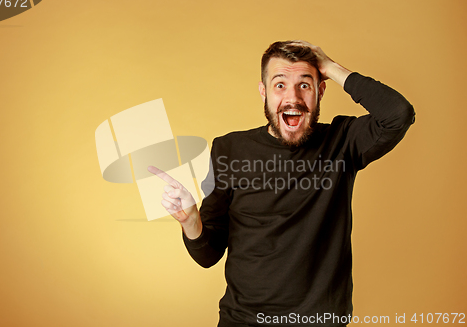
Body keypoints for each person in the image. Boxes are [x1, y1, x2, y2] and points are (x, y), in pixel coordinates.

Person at [148, 40, 415, 327]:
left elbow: (398, 115)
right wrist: (190, 221)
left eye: (305, 84)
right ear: (263, 92)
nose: (293, 97)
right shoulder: (229, 149)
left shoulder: (343, 141)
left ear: (320, 90)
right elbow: (208, 254)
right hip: (244, 321)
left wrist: (330, 67)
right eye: (279, 85)